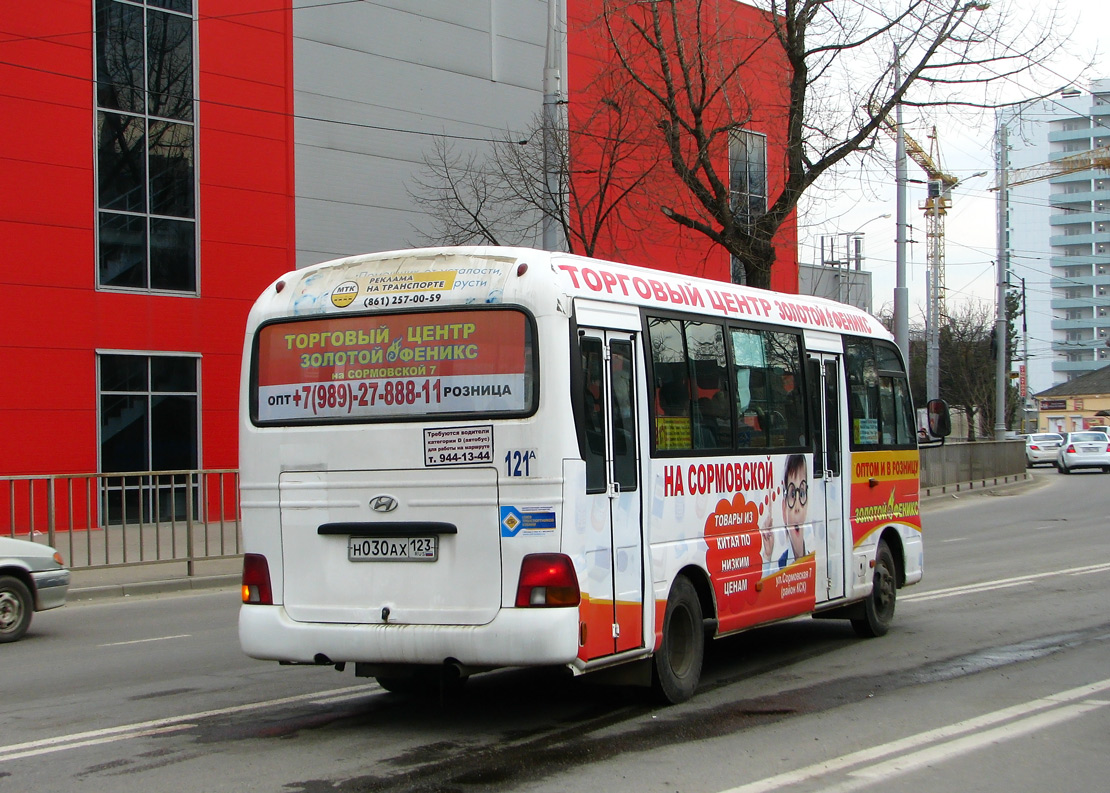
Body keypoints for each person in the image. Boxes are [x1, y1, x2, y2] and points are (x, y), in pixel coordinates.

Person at [760, 454, 809, 575]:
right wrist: (767, 555)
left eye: (801, 494)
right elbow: (766, 591)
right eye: (792, 495)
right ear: (784, 509)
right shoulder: (780, 564)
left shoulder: (814, 554)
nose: (797, 506)